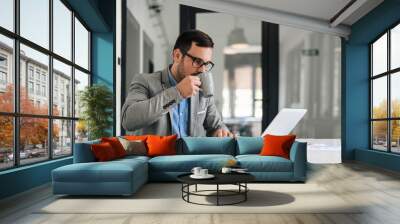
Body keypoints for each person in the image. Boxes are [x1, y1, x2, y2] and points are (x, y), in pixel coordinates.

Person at [121, 29, 233, 138]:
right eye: (198, 61)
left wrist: (221, 132)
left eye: (206, 64)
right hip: (157, 156)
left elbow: (216, 126)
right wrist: (177, 92)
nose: (203, 70)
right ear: (177, 55)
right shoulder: (144, 81)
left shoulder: (202, 89)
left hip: (190, 156)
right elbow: (128, 120)